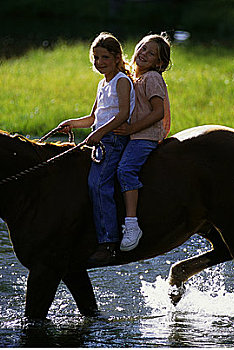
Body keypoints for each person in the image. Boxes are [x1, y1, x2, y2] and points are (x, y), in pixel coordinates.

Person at [57, 32, 135, 264]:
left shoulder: (122, 81)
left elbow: (122, 114)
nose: (100, 63)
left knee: (98, 183)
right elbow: (93, 117)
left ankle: (109, 242)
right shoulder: (102, 83)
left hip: (113, 140)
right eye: (96, 58)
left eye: (105, 58)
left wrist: (100, 133)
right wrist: (72, 123)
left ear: (117, 57)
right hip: (101, 138)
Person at [114, 33, 171, 252]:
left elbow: (157, 113)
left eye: (152, 53)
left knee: (126, 170)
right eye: (142, 48)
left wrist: (130, 129)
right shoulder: (134, 77)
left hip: (145, 136)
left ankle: (131, 224)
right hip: (132, 135)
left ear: (159, 62)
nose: (144, 54)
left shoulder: (152, 78)